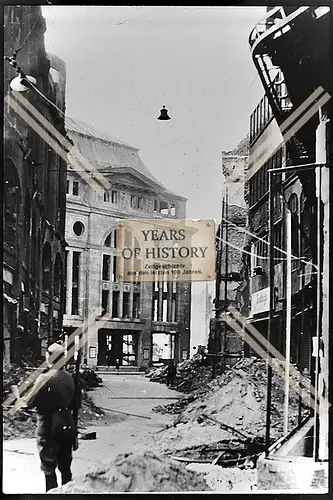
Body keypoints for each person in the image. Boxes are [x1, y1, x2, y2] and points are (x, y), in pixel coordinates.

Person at [19, 342, 81, 492]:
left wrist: (22, 402)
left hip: (48, 427)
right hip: (66, 425)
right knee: (65, 466)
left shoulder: (44, 378)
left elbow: (29, 402)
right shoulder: (70, 378)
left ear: (49, 357)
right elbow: (76, 404)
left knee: (48, 466)